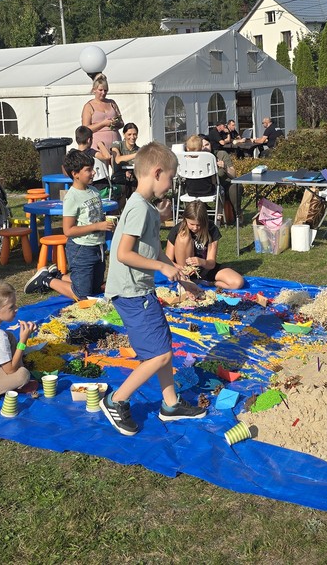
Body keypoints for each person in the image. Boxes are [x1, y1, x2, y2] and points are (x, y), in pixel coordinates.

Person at [101, 142, 208, 435]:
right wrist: (162, 268)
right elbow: (124, 253)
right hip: (132, 293)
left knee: (163, 346)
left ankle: (170, 404)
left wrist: (182, 279)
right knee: (158, 355)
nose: (171, 185)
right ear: (157, 172)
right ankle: (116, 400)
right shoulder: (139, 208)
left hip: (139, 291)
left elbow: (154, 250)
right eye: (170, 178)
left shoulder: (146, 207)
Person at [26, 149, 115, 300]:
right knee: (82, 295)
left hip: (98, 247)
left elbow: (93, 217)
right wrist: (98, 226)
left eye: (92, 169)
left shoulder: (94, 191)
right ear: (75, 174)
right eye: (88, 170)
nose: (93, 173)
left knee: (95, 288)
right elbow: (68, 230)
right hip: (81, 249)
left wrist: (108, 224)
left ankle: (58, 276)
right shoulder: (72, 197)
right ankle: (46, 279)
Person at [166, 200, 245, 290]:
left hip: (205, 269)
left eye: (199, 225)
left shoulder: (211, 229)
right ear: (185, 219)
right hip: (184, 270)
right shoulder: (177, 230)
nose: (195, 228)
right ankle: (185, 280)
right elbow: (167, 260)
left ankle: (209, 283)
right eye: (192, 224)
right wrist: (180, 268)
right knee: (183, 236)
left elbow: (211, 263)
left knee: (238, 282)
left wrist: (201, 262)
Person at [81, 73, 121, 157]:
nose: (103, 93)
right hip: (98, 146)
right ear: (94, 90)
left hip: (115, 144)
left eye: (105, 90)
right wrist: (103, 123)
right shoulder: (89, 106)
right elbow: (85, 129)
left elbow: (121, 122)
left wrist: (116, 123)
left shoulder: (112, 103)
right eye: (100, 90)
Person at [110, 122, 140, 187]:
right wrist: (136, 155)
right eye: (129, 134)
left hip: (134, 180)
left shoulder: (139, 149)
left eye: (135, 134)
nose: (132, 137)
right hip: (118, 179)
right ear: (124, 134)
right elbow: (117, 159)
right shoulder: (117, 144)